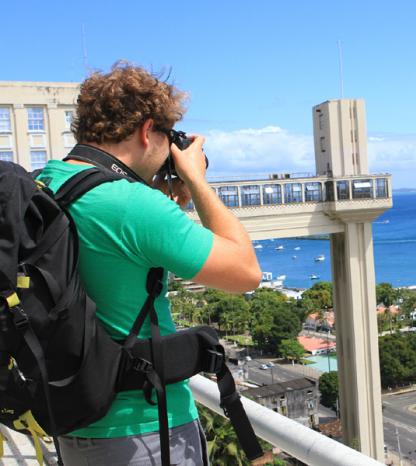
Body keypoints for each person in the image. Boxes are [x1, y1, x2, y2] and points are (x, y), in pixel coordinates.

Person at [37, 62, 261, 465]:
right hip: (145, 430)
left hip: (72, 420)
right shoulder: (134, 205)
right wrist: (196, 179)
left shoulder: (45, 183)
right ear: (147, 130)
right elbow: (245, 273)